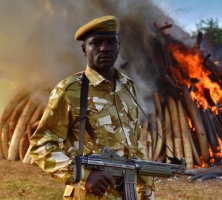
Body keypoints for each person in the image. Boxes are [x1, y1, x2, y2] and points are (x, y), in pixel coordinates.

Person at [30, 15, 155, 200]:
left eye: (111, 42)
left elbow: (136, 147)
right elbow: (41, 143)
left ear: (118, 47)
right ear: (84, 49)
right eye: (96, 42)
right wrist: (82, 175)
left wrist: (146, 194)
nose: (104, 48)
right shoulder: (71, 90)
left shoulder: (128, 88)